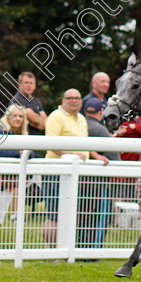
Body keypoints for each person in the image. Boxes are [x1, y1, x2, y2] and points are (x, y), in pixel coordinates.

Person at [43, 88, 90, 247]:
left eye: (77, 98)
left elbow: (85, 145)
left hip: (76, 173)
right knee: (54, 213)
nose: (74, 101)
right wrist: (73, 154)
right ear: (63, 100)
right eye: (70, 98)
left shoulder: (82, 119)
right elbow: (52, 145)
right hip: (56, 172)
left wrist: (96, 156)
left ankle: (65, 249)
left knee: (70, 213)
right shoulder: (55, 117)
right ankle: (50, 251)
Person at [0, 104, 30, 252]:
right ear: (7, 116)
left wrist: (23, 153)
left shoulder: (22, 135)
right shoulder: (0, 131)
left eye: (21, 116)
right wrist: (19, 153)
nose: (18, 119)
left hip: (10, 181)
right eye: (14, 115)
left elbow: (31, 152)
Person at [82, 97, 116, 248]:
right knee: (99, 218)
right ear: (101, 111)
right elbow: (115, 158)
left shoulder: (80, 125)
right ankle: (93, 253)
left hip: (80, 182)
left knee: (82, 219)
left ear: (85, 111)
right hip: (99, 184)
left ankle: (81, 249)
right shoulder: (101, 130)